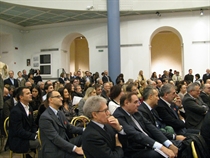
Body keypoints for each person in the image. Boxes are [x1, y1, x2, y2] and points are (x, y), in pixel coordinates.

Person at [113, 92, 178, 158]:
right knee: (161, 155)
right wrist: (162, 147)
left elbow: (152, 128)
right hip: (136, 150)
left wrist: (169, 144)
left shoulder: (136, 113)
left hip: (149, 143)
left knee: (179, 145)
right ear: (126, 103)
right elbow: (136, 134)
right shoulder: (118, 116)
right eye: (135, 102)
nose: (138, 104)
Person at [39, 90, 84, 158]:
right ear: (50, 100)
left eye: (60, 96)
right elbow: (55, 138)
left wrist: (85, 129)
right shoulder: (45, 117)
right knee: (82, 156)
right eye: (58, 97)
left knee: (87, 135)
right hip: (54, 150)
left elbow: (70, 128)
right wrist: (76, 149)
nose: (61, 98)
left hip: (63, 143)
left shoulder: (59, 113)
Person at [8, 87, 39, 155]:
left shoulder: (29, 108)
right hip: (19, 140)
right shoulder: (15, 111)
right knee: (42, 143)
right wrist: (34, 136)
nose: (31, 94)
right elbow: (18, 131)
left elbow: (32, 124)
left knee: (45, 140)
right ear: (21, 97)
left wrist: (36, 133)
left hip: (27, 136)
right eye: (28, 93)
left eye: (30, 93)